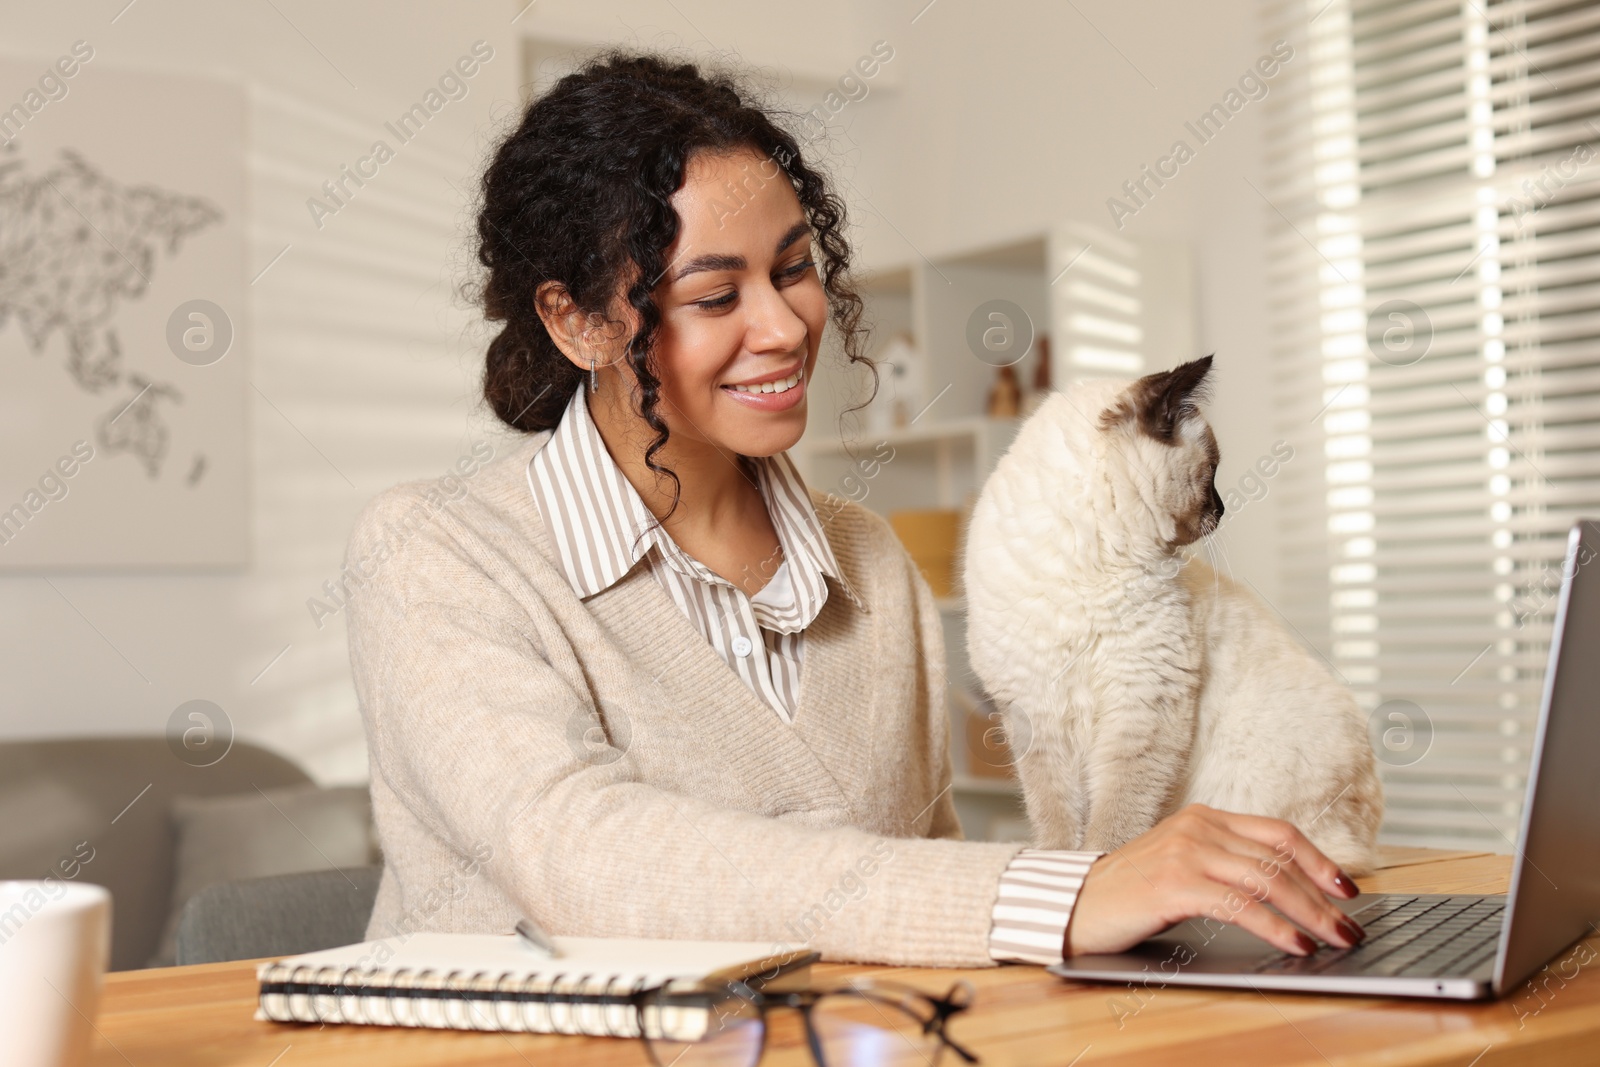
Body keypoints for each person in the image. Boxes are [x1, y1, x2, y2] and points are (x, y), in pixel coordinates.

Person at [344, 52, 1365, 969]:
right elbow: (584, 857)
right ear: (576, 321)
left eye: (793, 268)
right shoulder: (431, 556)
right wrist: (1065, 890)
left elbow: (925, 906)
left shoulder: (868, 561)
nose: (785, 324)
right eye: (713, 295)